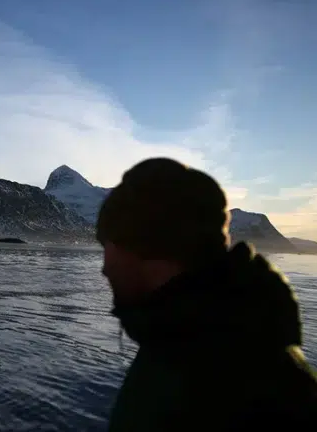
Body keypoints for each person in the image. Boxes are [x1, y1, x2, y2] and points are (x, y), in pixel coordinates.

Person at [95, 158, 317, 432]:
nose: (104, 268)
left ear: (146, 247)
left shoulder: (234, 385)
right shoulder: (183, 338)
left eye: (109, 245)